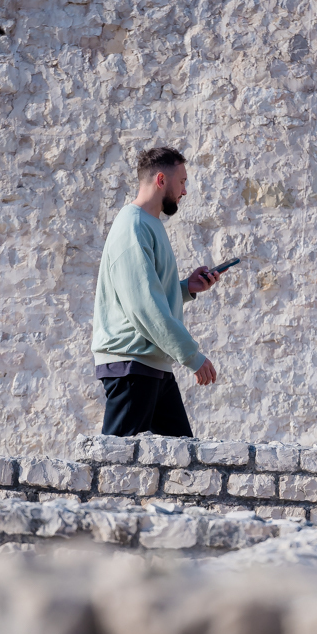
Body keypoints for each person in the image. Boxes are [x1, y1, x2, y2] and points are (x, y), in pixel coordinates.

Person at [91, 146, 221, 437]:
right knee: (115, 459)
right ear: (161, 180)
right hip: (131, 364)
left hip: (152, 364)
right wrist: (192, 356)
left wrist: (186, 288)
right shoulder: (133, 225)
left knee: (183, 456)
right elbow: (144, 306)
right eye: (182, 182)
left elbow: (149, 292)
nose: (184, 191)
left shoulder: (149, 224)